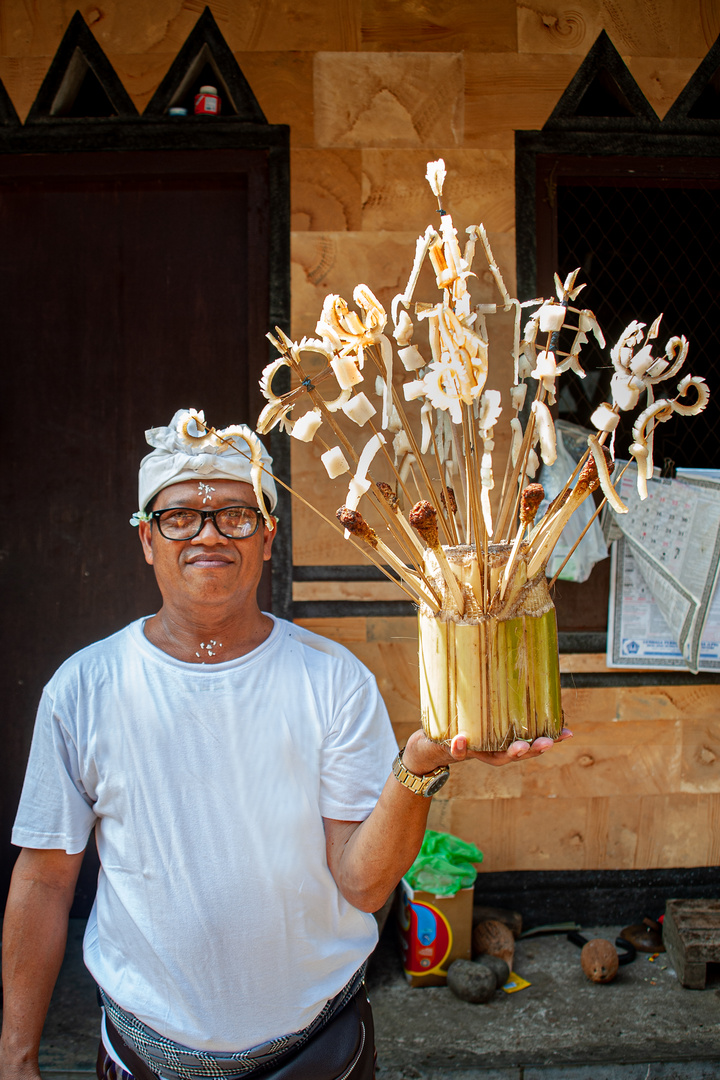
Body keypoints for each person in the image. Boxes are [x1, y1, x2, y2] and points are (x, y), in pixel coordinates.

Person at [0, 409, 572, 1080]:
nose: (208, 534)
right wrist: (17, 1058)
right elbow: (42, 881)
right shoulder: (83, 689)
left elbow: (361, 885)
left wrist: (419, 764)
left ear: (269, 536)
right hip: (143, 1058)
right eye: (179, 516)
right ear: (146, 541)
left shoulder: (331, 680)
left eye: (237, 516)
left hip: (316, 1054)